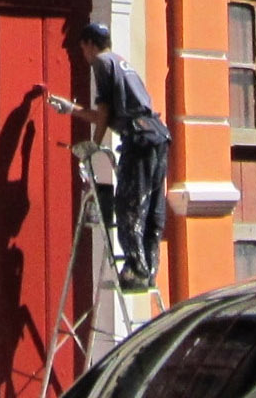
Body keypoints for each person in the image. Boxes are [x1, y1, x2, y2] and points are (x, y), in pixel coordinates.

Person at [47, 21, 169, 294]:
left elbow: (103, 114)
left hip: (139, 140)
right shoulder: (121, 62)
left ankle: (136, 270)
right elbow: (112, 114)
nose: (84, 55)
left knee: (128, 206)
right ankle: (148, 271)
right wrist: (73, 110)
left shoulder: (101, 62)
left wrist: (94, 144)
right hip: (157, 137)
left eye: (83, 49)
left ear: (90, 44)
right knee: (151, 210)